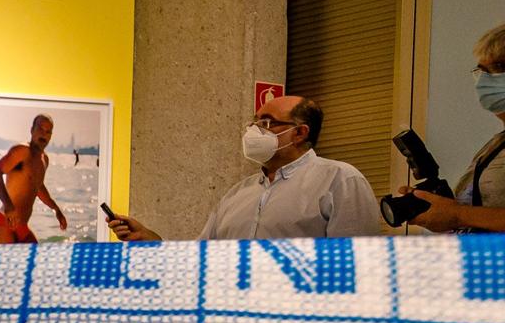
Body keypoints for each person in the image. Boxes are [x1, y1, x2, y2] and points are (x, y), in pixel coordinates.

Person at [108, 95, 380, 241]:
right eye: (254, 122)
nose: (254, 130)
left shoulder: (340, 180)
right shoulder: (238, 194)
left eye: (267, 123)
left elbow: (356, 266)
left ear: (299, 133)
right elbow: (201, 260)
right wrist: (149, 239)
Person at [403, 21, 505, 233]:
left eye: (497, 69)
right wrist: (440, 209)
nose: (484, 81)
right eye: (481, 71)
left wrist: (458, 214)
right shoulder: (495, 145)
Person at [0, 114, 67, 244]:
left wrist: (56, 209)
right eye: (40, 129)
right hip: (5, 222)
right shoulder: (21, 151)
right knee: (4, 264)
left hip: (22, 226)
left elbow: (38, 187)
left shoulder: (44, 160)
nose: (44, 134)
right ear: (32, 130)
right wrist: (8, 206)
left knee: (35, 262)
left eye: (48, 132)